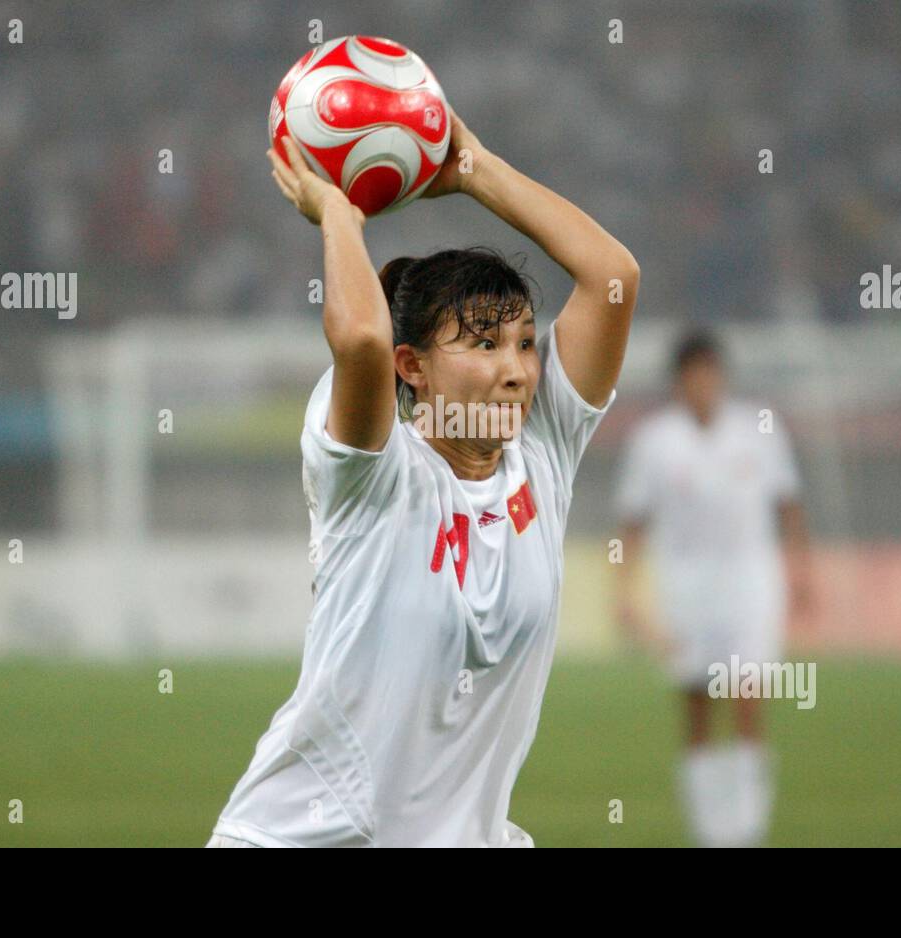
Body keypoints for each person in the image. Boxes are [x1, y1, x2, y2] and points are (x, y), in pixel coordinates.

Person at [209, 111, 639, 846]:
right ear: (414, 368)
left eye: (524, 343)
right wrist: (338, 214)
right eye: (483, 343)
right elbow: (363, 338)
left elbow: (613, 278)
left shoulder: (543, 454)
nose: (515, 369)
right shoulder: (373, 475)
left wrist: (473, 166)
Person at [613, 331, 811, 847]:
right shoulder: (654, 439)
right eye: (692, 374)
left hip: (750, 581)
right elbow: (633, 520)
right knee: (698, 706)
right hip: (685, 587)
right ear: (679, 382)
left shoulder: (759, 429)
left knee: (747, 697)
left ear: (721, 376)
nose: (703, 383)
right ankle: (709, 831)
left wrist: (801, 570)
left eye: (710, 372)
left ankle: (747, 828)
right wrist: (624, 591)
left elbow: (788, 504)